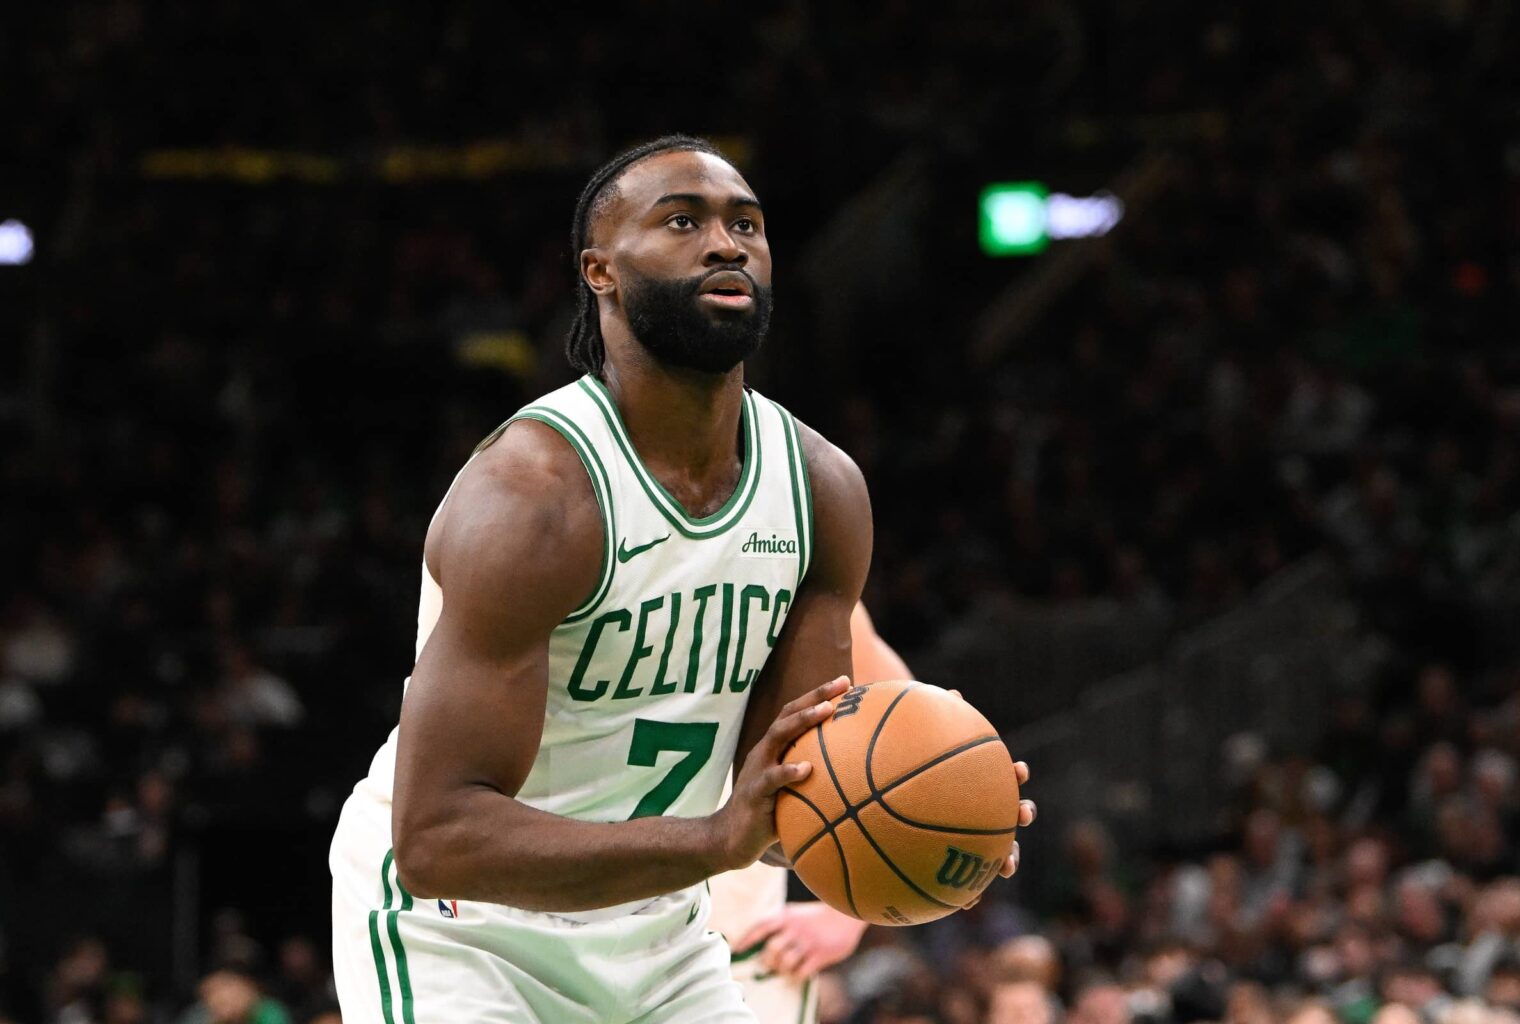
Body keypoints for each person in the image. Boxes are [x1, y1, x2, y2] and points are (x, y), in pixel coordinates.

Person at [328, 134, 1036, 1022]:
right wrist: (714, 838)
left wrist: (934, 811)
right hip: (463, 932)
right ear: (601, 272)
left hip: (660, 932)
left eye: (747, 223)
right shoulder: (533, 500)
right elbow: (437, 838)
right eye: (682, 221)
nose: (726, 243)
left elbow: (787, 791)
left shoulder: (822, 491)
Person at [708, 601, 914, 1023]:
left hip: (739, 967)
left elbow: (916, 738)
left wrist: (853, 912)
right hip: (563, 947)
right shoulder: (571, 554)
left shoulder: (792, 571)